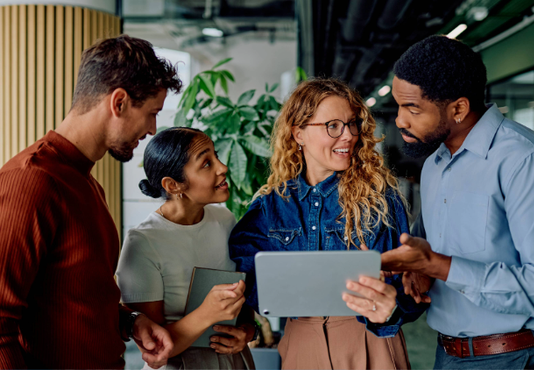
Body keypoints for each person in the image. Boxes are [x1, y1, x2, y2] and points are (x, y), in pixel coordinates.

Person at [0, 35, 182, 369]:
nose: (153, 130)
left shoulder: (88, 184)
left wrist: (129, 322)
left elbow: (72, 297)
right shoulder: (31, 181)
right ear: (119, 103)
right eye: (152, 113)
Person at [381, 35, 534, 369]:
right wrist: (417, 270)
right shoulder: (435, 164)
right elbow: (428, 255)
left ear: (459, 109)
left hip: (514, 357)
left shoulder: (524, 160)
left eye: (413, 108)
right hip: (447, 354)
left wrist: (439, 266)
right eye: (399, 105)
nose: (400, 120)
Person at [229, 78, 426, 369]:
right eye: (333, 126)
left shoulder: (380, 200)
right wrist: (252, 318)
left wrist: (390, 307)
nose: (348, 136)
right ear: (298, 134)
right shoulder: (271, 205)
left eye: (352, 124)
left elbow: (410, 292)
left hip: (369, 340)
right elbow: (242, 278)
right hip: (300, 341)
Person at [116, 127, 257, 369]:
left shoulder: (225, 220)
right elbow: (154, 348)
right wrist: (207, 313)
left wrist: (246, 332)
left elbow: (242, 307)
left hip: (235, 362)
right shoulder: (142, 243)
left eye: (216, 156)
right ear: (173, 185)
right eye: (206, 164)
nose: (222, 167)